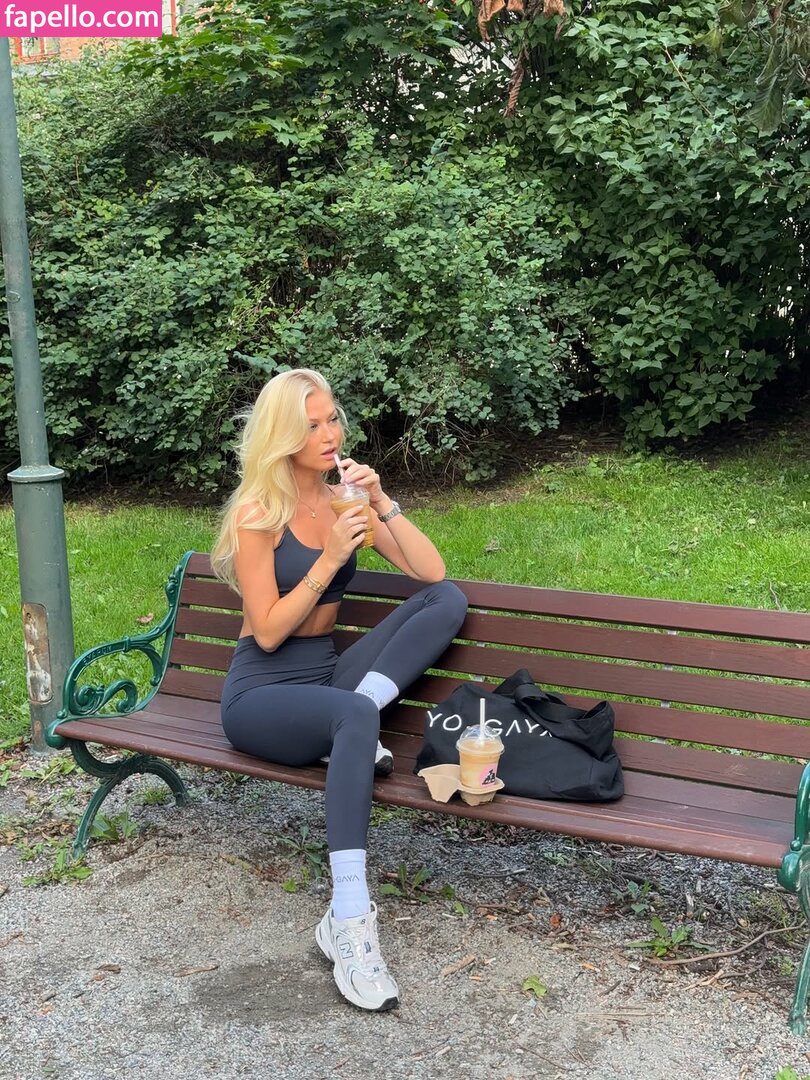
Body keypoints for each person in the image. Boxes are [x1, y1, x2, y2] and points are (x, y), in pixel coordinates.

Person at [211, 368, 468, 1012]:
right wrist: (328, 558)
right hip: (261, 695)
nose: (330, 434)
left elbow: (431, 571)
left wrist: (381, 501)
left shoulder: (343, 499)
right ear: (282, 436)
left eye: (332, 419)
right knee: (352, 715)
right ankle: (350, 919)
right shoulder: (257, 515)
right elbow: (268, 631)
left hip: (327, 679)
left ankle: (351, 727)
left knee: (446, 600)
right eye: (312, 425)